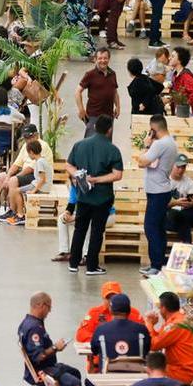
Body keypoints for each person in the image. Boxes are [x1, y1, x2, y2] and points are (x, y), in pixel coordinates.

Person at [66, 114, 124, 275]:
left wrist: (79, 176)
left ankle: (73, 262)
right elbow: (117, 175)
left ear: (94, 127)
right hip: (102, 197)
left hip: (83, 195)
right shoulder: (113, 150)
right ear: (109, 129)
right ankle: (91, 266)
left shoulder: (79, 145)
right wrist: (97, 179)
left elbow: (68, 165)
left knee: (80, 229)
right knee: (97, 231)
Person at [19, 292, 99, 386]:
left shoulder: (27, 322)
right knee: (74, 384)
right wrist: (55, 348)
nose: (50, 311)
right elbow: (38, 356)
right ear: (41, 305)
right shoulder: (34, 328)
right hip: (41, 373)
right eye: (49, 307)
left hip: (46, 367)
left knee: (75, 373)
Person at [136, 114, 177, 276]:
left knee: (151, 227)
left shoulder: (159, 144)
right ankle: (157, 263)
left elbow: (142, 162)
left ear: (153, 129)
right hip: (162, 190)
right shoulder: (171, 142)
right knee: (159, 228)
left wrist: (146, 145)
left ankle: (156, 264)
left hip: (157, 191)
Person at [144, 292, 193, 384]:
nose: (159, 312)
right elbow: (160, 338)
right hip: (188, 371)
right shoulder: (179, 320)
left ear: (163, 308)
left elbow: (153, 345)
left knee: (149, 371)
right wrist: (152, 326)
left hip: (182, 373)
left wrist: (148, 323)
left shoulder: (175, 325)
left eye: (159, 308)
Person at [92, 292, 152, 371]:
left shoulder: (101, 330)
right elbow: (147, 349)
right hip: (137, 377)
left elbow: (94, 350)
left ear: (110, 310)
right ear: (129, 310)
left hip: (108, 378)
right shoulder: (142, 330)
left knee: (89, 381)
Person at [76, 48, 119, 138]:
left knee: (106, 142)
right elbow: (78, 91)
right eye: (100, 58)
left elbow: (114, 91)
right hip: (93, 116)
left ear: (109, 59)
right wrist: (81, 109)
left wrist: (118, 107)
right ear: (95, 59)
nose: (102, 61)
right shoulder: (90, 74)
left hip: (108, 116)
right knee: (90, 141)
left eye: (105, 58)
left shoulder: (113, 74)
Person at [165, 158, 193, 242]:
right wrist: (176, 203)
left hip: (184, 213)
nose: (181, 170)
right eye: (178, 167)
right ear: (172, 166)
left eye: (183, 167)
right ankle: (187, 243)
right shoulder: (165, 181)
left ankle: (185, 225)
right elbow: (161, 205)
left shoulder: (189, 182)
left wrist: (192, 204)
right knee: (175, 214)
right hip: (169, 215)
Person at [168, 46, 193, 114]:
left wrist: (186, 104)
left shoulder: (185, 76)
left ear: (180, 60)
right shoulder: (175, 74)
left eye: (173, 56)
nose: (169, 58)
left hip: (186, 112)